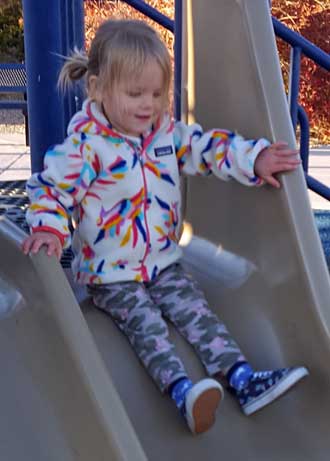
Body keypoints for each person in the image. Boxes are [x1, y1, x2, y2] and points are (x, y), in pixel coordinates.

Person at [22, 19, 308, 435]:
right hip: (110, 275)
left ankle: (243, 380)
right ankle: (182, 393)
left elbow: (210, 148)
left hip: (162, 262)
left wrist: (255, 158)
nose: (148, 104)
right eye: (135, 93)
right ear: (99, 89)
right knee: (146, 324)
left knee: (196, 312)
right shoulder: (85, 149)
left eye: (157, 94)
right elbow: (52, 190)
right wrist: (49, 228)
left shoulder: (165, 135)